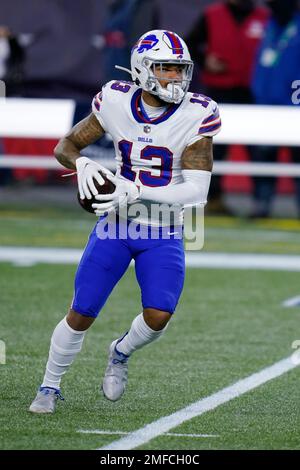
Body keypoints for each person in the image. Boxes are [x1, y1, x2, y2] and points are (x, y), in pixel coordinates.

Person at [29, 29, 221, 413]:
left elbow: (197, 192)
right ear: (143, 68)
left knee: (158, 316)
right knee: (82, 310)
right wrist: (81, 161)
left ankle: (119, 352)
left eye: (180, 70)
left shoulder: (197, 112)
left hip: (164, 227)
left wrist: (136, 190)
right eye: (166, 69)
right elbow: (65, 146)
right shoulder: (116, 99)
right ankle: (49, 387)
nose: (175, 78)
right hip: (116, 224)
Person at [185, 0, 269, 213]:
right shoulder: (212, 15)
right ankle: (213, 199)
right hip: (218, 91)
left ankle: (261, 203)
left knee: (259, 149)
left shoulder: (264, 16)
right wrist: (206, 60)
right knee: (214, 148)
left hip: (254, 94)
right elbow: (189, 45)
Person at [251, 0, 300, 218]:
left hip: (294, 107)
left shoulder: (294, 27)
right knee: (263, 157)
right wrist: (258, 93)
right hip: (265, 105)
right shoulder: (268, 24)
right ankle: (262, 203)